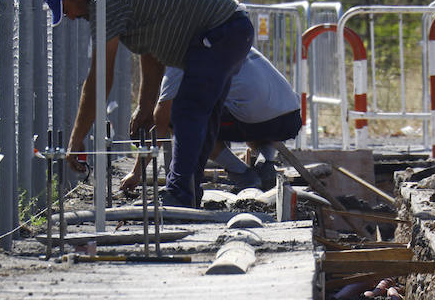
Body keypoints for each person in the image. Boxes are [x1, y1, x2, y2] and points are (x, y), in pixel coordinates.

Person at [41, 0, 254, 208]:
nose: (69, 17)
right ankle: (188, 193)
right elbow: (151, 49)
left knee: (187, 111)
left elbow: (99, 78)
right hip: (230, 29)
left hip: (220, 31)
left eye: (65, 9)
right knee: (201, 117)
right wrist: (145, 105)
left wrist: (76, 139)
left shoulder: (103, 1)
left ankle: (180, 194)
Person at [119, 48, 302, 195]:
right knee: (248, 110)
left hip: (254, 118)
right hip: (290, 117)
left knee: (181, 121)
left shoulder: (178, 55)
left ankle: (244, 175)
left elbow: (161, 122)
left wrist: (136, 172)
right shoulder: (225, 38)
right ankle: (266, 163)